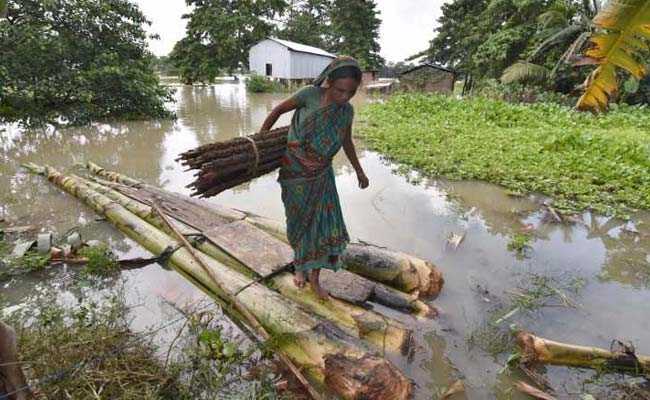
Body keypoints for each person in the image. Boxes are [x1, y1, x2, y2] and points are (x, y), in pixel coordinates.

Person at [258, 56, 369, 300]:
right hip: (295, 173)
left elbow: (346, 141)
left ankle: (316, 279)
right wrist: (261, 140)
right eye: (340, 90)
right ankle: (300, 265)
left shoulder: (346, 111)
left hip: (322, 176)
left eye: (350, 93)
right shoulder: (309, 95)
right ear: (329, 82)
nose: (344, 97)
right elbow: (277, 110)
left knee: (322, 227)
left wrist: (360, 170)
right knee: (298, 222)